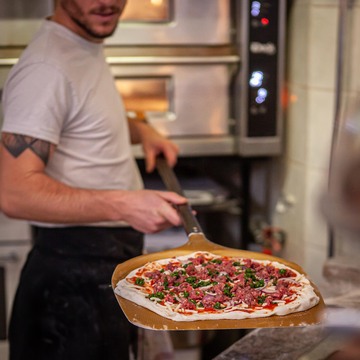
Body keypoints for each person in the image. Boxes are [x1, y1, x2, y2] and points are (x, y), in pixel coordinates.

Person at [0, 0, 187, 359]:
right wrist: (122, 203)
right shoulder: (46, 68)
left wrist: (141, 129)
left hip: (101, 266)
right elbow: (15, 193)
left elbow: (79, 116)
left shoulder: (82, 47)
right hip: (68, 289)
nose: (108, 2)